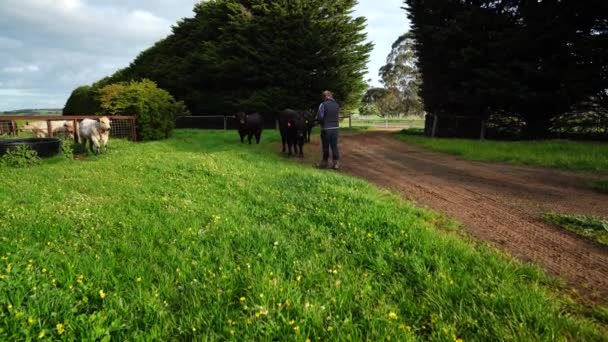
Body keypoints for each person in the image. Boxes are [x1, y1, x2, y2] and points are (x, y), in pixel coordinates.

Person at [316, 90, 340, 169]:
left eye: (323, 97)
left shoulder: (323, 104)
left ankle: (324, 163)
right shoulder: (336, 105)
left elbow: (320, 117)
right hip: (335, 128)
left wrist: (321, 122)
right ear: (331, 96)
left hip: (326, 128)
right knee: (334, 146)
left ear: (325, 96)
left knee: (325, 146)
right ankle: (336, 164)